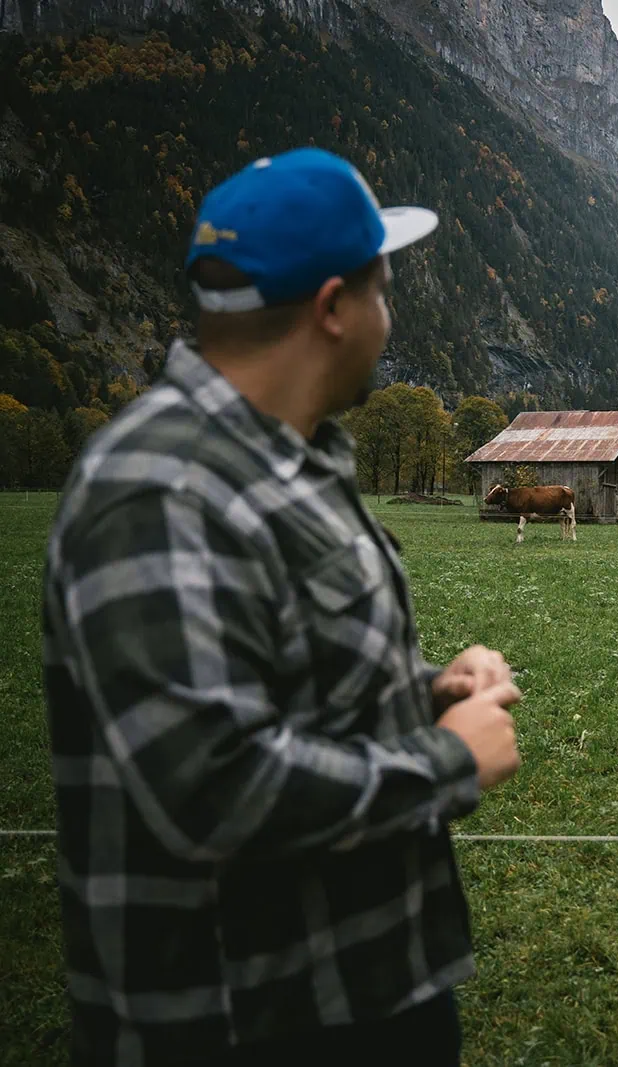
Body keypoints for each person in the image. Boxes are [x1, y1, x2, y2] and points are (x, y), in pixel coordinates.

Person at [41, 148, 523, 1066]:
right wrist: (446, 759)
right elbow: (211, 785)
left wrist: (422, 689)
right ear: (334, 307)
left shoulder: (282, 460)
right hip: (250, 1023)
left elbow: (262, 672)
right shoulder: (160, 492)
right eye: (384, 290)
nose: (392, 316)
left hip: (357, 994)